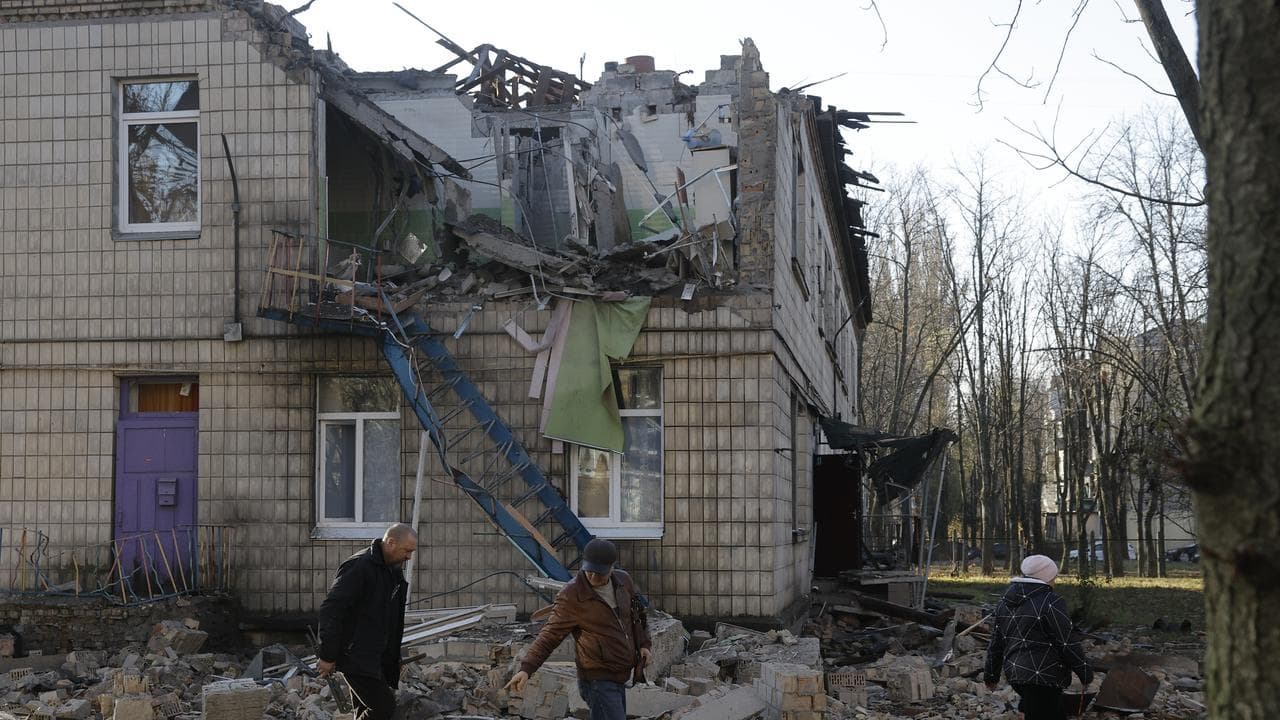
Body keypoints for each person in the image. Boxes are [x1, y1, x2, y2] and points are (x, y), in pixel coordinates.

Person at [505, 538, 652, 720]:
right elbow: (550, 635)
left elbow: (637, 616)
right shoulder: (572, 595)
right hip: (598, 679)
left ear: (611, 568)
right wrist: (526, 669)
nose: (593, 577)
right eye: (589, 571)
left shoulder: (623, 581)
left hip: (620, 675)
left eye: (599, 573)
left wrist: (644, 644)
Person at [317, 523, 418, 720]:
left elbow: (390, 618)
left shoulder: (392, 570)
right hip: (355, 656)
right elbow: (332, 609)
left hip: (375, 657)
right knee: (384, 709)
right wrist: (327, 655)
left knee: (365, 709)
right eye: (407, 550)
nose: (409, 557)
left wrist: (393, 656)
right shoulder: (359, 566)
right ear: (391, 542)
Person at [983, 554, 1094, 720]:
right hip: (1045, 676)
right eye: (1054, 577)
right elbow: (1066, 641)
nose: (1055, 581)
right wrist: (1085, 672)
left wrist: (991, 675)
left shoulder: (1005, 602)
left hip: (1016, 674)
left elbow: (996, 642)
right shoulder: (1051, 602)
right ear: (1047, 577)